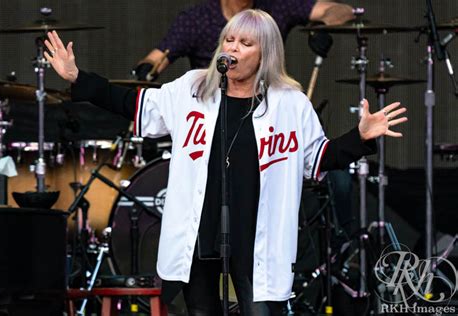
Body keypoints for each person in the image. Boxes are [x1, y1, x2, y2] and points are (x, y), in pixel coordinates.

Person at [44, 9, 407, 316]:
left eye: (245, 43)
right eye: (230, 40)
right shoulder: (192, 89)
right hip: (200, 235)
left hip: (257, 238)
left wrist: (359, 138)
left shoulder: (290, 104)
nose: (233, 48)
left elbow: (319, 159)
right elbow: (133, 104)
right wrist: (79, 78)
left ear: (264, 54)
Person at [132, 0, 355, 80]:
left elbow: (342, 10)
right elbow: (157, 58)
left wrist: (323, 27)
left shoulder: (278, 5)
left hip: (267, 109)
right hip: (214, 112)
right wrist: (147, 69)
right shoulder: (196, 20)